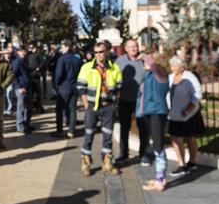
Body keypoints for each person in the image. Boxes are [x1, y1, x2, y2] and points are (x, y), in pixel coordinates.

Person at [77, 42, 122, 176]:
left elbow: (119, 86)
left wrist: (115, 103)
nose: (99, 55)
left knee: (108, 136)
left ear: (107, 52)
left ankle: (107, 162)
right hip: (93, 106)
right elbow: (81, 87)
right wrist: (86, 104)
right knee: (89, 134)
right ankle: (86, 162)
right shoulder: (87, 67)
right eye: (96, 52)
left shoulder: (114, 67)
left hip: (108, 106)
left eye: (101, 52)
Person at [114, 39, 151, 165]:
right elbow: (113, 76)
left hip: (141, 100)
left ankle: (144, 154)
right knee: (124, 128)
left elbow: (155, 68)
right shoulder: (120, 61)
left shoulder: (144, 58)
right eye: (130, 47)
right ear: (125, 48)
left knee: (143, 128)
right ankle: (124, 154)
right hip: (125, 99)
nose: (133, 49)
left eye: (135, 46)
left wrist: (145, 57)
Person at [167, 56, 205, 176]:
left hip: (188, 113)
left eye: (174, 66)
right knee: (175, 138)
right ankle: (182, 165)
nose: (172, 68)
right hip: (174, 113)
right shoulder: (171, 77)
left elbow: (197, 94)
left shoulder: (190, 77)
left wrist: (189, 109)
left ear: (182, 67)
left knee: (190, 138)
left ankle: (192, 162)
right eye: (171, 66)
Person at [137, 53, 170, 191]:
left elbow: (153, 65)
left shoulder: (160, 73)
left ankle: (160, 179)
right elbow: (142, 96)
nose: (143, 63)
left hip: (158, 112)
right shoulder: (148, 76)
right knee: (156, 144)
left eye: (145, 62)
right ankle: (159, 177)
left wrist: (144, 55)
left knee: (158, 145)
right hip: (148, 112)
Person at [52, 40, 81, 139]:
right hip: (74, 86)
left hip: (64, 87)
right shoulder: (77, 59)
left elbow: (59, 74)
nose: (61, 49)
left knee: (59, 109)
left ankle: (59, 130)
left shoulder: (62, 59)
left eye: (62, 47)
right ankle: (71, 131)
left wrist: (57, 84)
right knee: (72, 109)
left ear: (67, 47)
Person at [12, 47, 33, 134]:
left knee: (28, 107)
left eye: (24, 51)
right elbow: (13, 74)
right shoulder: (18, 61)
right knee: (21, 108)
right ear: (18, 52)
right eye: (21, 51)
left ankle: (26, 124)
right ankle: (20, 126)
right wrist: (19, 87)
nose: (23, 53)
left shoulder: (24, 60)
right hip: (21, 88)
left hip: (27, 87)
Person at [26, 43, 45, 114]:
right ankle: (31, 107)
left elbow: (43, 62)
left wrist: (38, 68)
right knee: (31, 93)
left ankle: (39, 107)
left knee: (38, 93)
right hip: (30, 75)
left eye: (32, 47)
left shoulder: (38, 54)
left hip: (36, 75)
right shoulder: (28, 54)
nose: (31, 48)